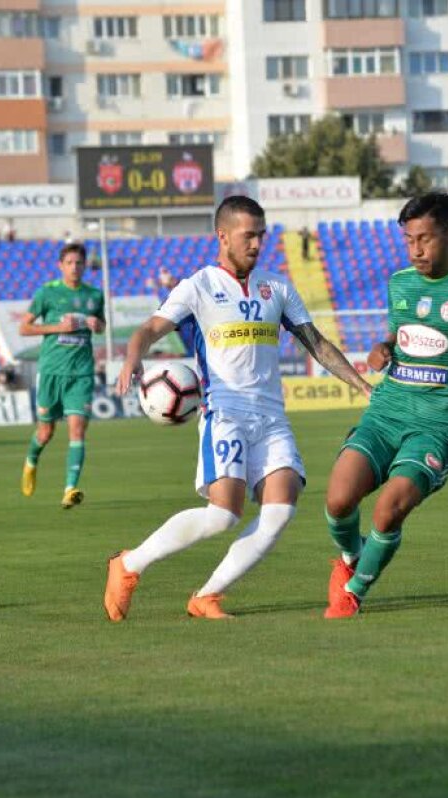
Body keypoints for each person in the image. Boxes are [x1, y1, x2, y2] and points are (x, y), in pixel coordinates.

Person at [104, 195, 370, 622]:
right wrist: (134, 355)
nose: (257, 244)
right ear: (222, 236)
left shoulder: (277, 287)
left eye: (261, 235)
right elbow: (151, 327)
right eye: (249, 235)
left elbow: (316, 342)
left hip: (272, 419)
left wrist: (363, 386)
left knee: (281, 509)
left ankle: (206, 596)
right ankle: (129, 564)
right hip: (224, 414)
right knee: (223, 515)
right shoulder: (199, 286)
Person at [323, 192, 448, 618]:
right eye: (408, 240)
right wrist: (382, 348)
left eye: (424, 238)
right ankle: (350, 557)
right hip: (386, 413)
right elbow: (402, 336)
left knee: (388, 511)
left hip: (437, 427)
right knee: (337, 500)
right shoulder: (400, 282)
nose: (416, 249)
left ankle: (354, 591)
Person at [18, 243, 106, 510]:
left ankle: (70, 488)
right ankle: (31, 461)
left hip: (81, 373)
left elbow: (101, 327)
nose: (75, 267)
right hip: (52, 372)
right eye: (70, 263)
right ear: (61, 265)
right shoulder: (48, 293)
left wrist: (96, 324)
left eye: (79, 263)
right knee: (46, 432)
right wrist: (58, 327)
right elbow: (24, 328)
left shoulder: (94, 295)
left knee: (77, 430)